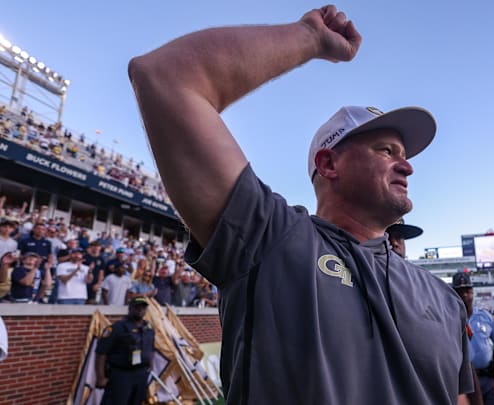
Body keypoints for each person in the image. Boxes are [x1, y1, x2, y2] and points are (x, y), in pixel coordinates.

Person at [129, 5, 472, 404]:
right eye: (386, 150)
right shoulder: (271, 241)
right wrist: (309, 37)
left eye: (405, 154)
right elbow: (166, 77)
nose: (407, 165)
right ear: (328, 163)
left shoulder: (443, 298)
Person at [95, 296, 155, 405]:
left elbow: (151, 348)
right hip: (121, 375)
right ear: (130, 308)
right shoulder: (116, 328)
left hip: (141, 374)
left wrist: (151, 365)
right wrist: (101, 377)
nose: (140, 310)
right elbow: (101, 353)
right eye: (137, 307)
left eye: (143, 307)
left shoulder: (149, 328)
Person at [453, 272, 494, 405]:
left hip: (488, 377)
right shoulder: (448, 319)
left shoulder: (485, 316)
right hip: (463, 382)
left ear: (473, 292)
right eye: (459, 291)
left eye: (467, 291)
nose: (464, 295)